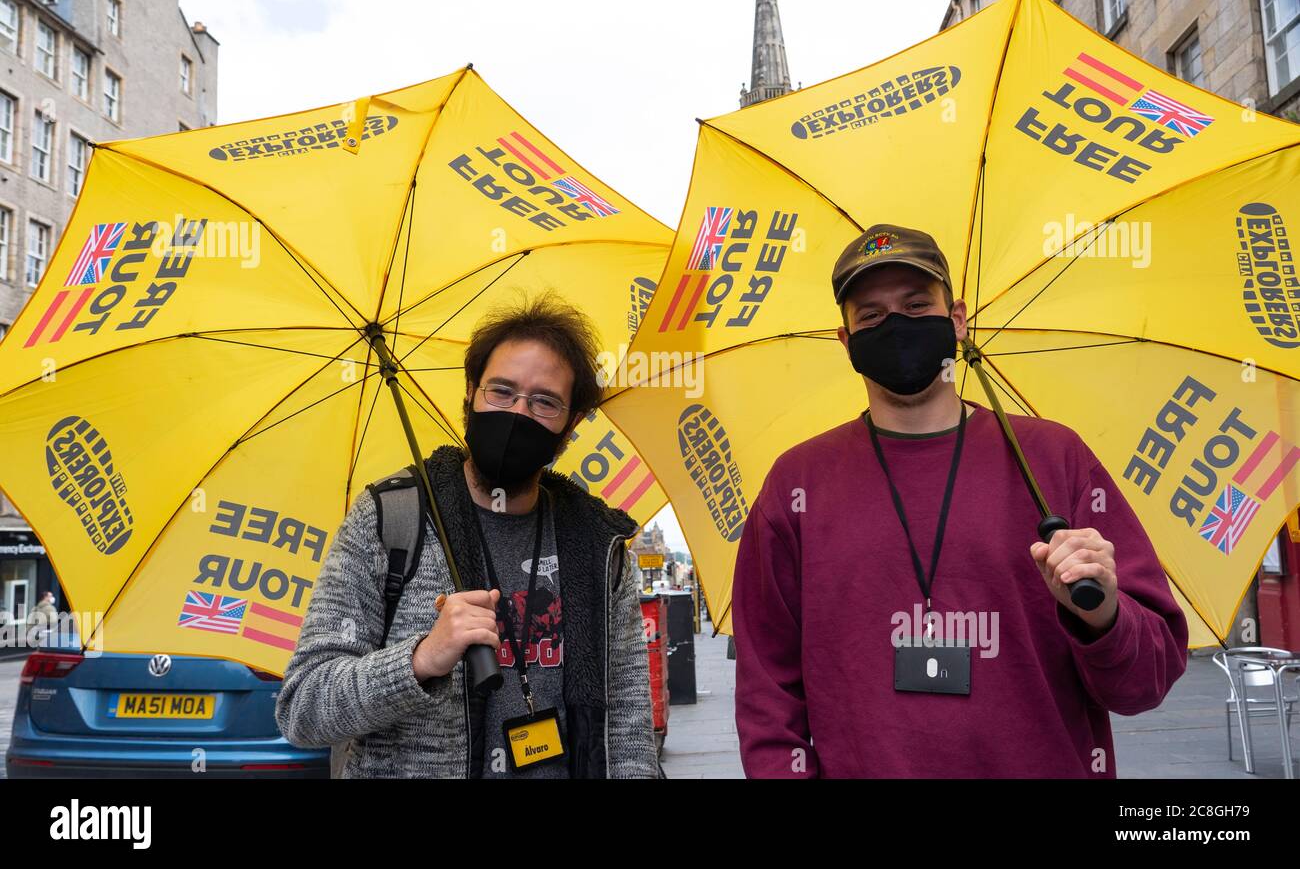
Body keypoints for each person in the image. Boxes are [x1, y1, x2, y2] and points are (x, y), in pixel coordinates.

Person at [732, 223, 1188, 778]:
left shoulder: (1053, 458)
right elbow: (767, 687)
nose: (895, 323)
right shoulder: (796, 483)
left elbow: (1146, 682)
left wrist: (1101, 615)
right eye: (871, 315)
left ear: (957, 319)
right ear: (846, 342)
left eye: (916, 304)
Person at [276, 291, 658, 778]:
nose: (518, 413)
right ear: (469, 395)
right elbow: (304, 708)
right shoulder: (390, 519)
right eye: (500, 391)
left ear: (570, 427)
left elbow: (627, 727)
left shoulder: (598, 546)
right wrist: (420, 659)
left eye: (544, 402)